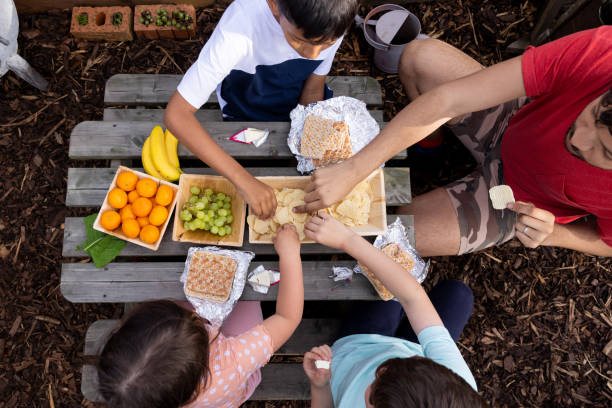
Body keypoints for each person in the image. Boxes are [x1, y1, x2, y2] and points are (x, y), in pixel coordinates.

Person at [295, 27, 612, 257]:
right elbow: (449, 99)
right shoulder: (604, 51)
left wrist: (553, 233)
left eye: (604, 151)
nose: (577, 139)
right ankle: (431, 146)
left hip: (514, 202)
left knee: (390, 235)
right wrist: (353, 170)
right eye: (594, 112)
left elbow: (605, 243)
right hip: (511, 117)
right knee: (420, 56)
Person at [163, 0, 359, 219]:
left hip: (294, 100)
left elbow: (313, 86)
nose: (312, 55)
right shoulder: (237, 32)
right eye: (298, 40)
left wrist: (308, 153)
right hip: (246, 105)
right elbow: (176, 115)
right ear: (274, 4)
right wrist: (243, 180)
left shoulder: (331, 18)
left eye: (327, 44)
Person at [96, 224, 303, 408]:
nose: (195, 313)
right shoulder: (232, 363)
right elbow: (287, 317)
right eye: (193, 318)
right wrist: (290, 254)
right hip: (234, 384)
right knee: (247, 300)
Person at [302, 213, 483, 408]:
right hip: (412, 354)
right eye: (384, 372)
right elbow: (413, 298)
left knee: (384, 298)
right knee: (458, 295)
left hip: (357, 349)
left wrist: (320, 386)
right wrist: (347, 239)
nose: (376, 373)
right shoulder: (456, 390)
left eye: (370, 392)